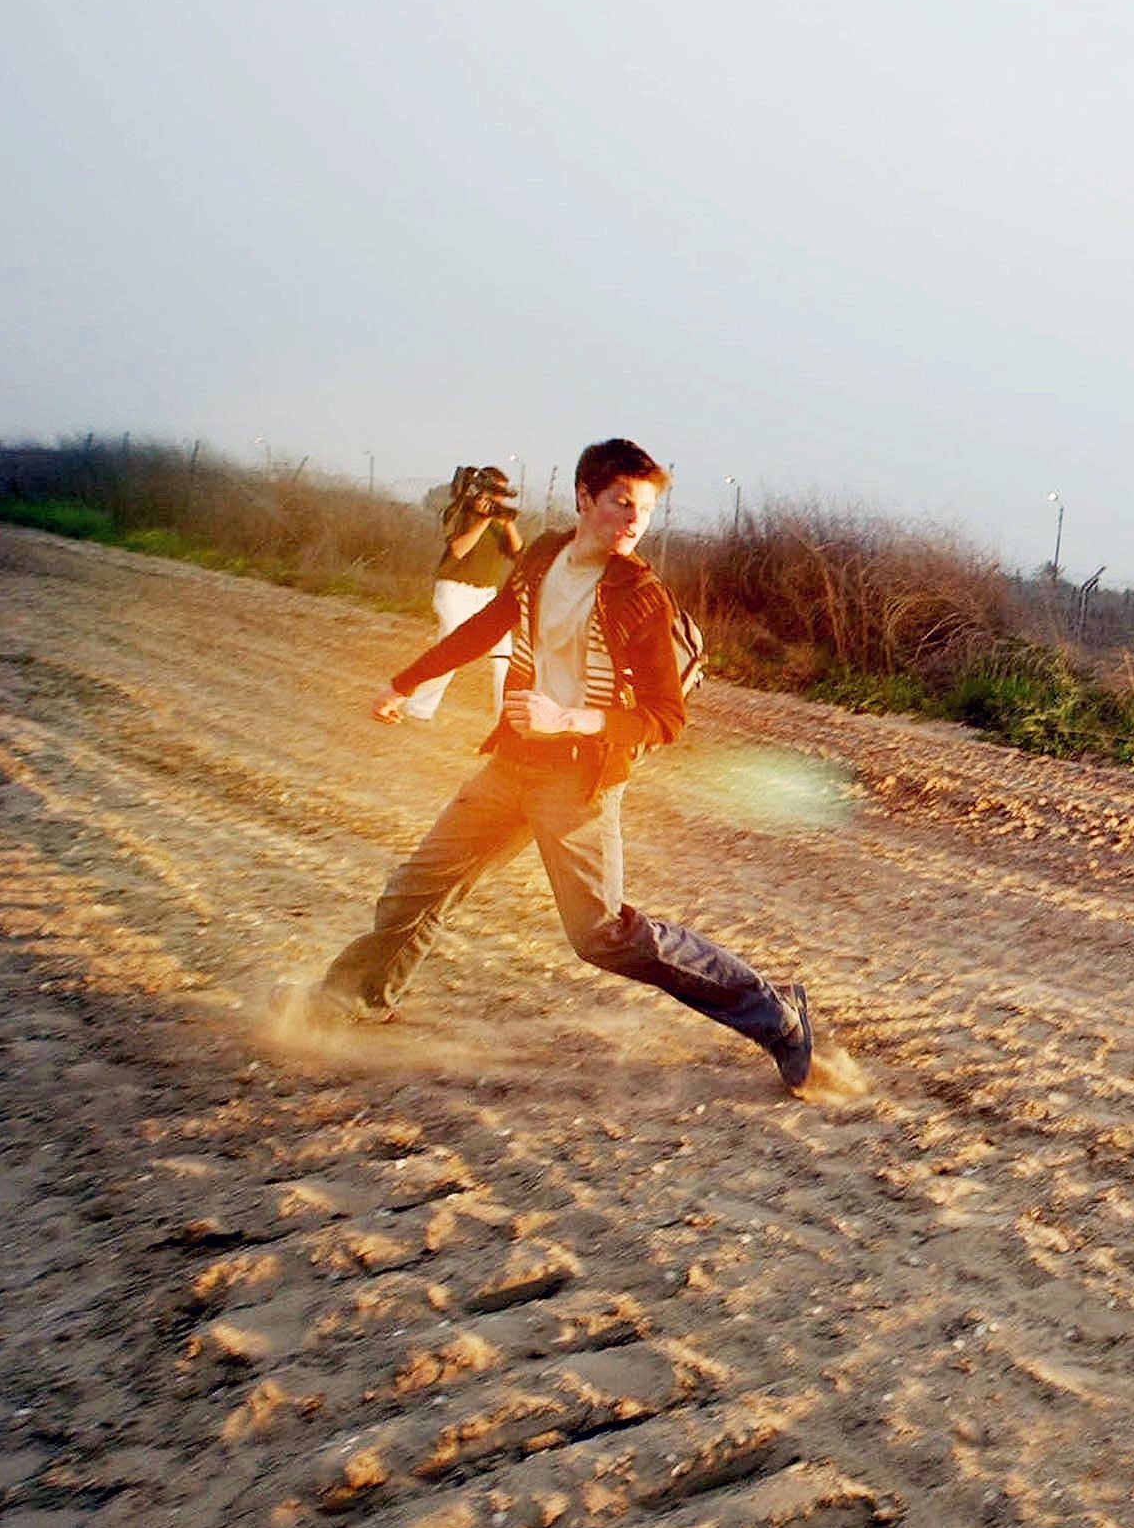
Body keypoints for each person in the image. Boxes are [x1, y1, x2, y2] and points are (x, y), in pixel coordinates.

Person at [296, 437, 861, 1099]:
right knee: (415, 887)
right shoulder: (540, 558)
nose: (632, 522)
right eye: (621, 503)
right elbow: (487, 627)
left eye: (644, 510)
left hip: (578, 782)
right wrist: (404, 681)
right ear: (584, 497)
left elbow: (664, 717)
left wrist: (573, 719)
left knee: (599, 935)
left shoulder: (639, 596)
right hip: (510, 766)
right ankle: (360, 995)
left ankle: (779, 1016)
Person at [399, 464, 521, 723]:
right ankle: (419, 708)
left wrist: (507, 524)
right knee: (451, 652)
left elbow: (520, 554)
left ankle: (505, 722)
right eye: (493, 494)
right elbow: (458, 550)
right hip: (454, 589)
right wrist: (483, 520)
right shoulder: (459, 511)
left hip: (486, 595)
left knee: (504, 659)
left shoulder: (500, 521)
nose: (497, 500)